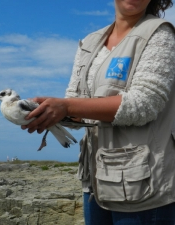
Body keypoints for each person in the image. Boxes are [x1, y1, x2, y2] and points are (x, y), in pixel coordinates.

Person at [21, 0, 175, 224]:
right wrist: (49, 112)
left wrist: (67, 106)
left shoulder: (160, 33)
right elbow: (76, 105)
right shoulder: (89, 42)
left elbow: (144, 103)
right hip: (95, 182)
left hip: (144, 184)